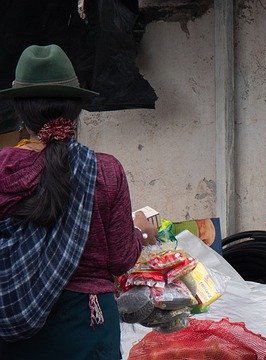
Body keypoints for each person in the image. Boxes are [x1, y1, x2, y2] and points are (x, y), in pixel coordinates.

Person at [0, 44, 157, 359]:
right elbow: (120, 260)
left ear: (18, 109)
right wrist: (140, 233)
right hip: (87, 325)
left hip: (12, 323)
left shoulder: (4, 168)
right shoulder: (104, 170)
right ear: (76, 108)